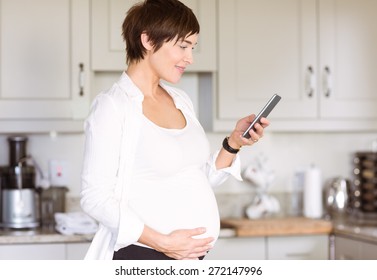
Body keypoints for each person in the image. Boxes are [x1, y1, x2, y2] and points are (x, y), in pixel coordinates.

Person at [80, 0, 270, 260]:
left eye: (193, 47)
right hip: (143, 256)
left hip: (187, 260)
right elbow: (95, 198)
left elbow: (195, 177)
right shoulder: (112, 107)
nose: (189, 58)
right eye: (183, 46)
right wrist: (164, 243)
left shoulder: (180, 100)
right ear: (147, 40)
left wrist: (233, 143)